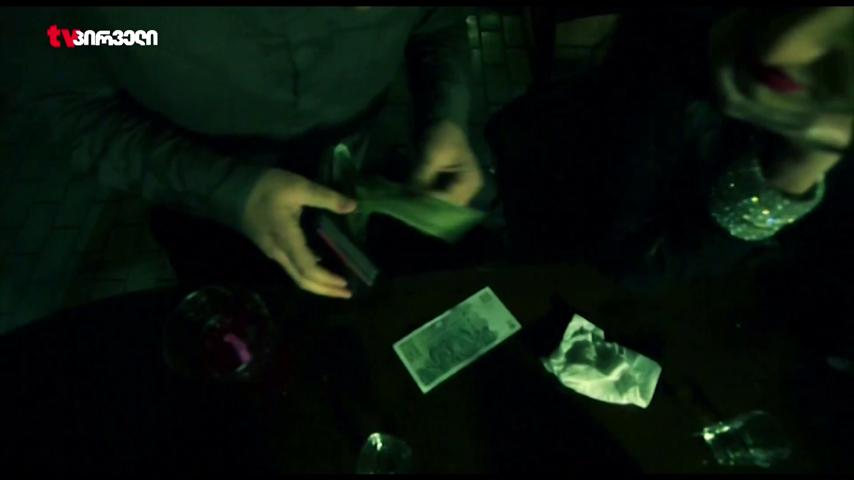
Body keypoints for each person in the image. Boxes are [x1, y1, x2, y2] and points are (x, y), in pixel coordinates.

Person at [16, 7, 485, 299]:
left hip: (379, 160)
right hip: (206, 204)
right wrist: (225, 188)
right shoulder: (111, 23)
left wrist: (446, 113)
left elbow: (437, 21)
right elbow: (67, 101)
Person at [485, 7, 853, 288]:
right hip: (539, 190)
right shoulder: (693, 38)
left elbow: (641, 262)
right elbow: (633, 259)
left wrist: (804, 163)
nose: (781, 46)